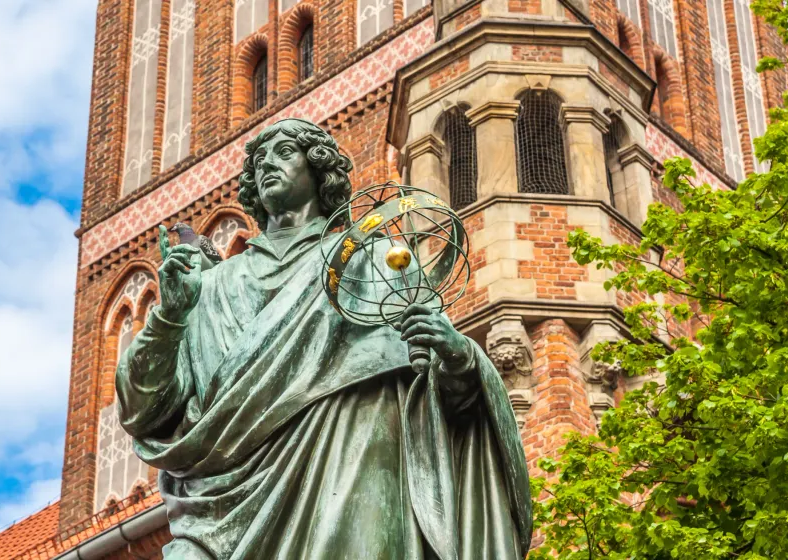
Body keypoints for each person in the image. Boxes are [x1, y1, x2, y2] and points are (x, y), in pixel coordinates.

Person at [116, 118, 532, 559]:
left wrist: (458, 357)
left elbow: (437, 402)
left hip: (353, 470)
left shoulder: (374, 263)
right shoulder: (211, 285)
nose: (266, 165)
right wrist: (168, 317)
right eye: (258, 161)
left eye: (283, 153)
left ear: (318, 170)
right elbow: (144, 410)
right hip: (220, 508)